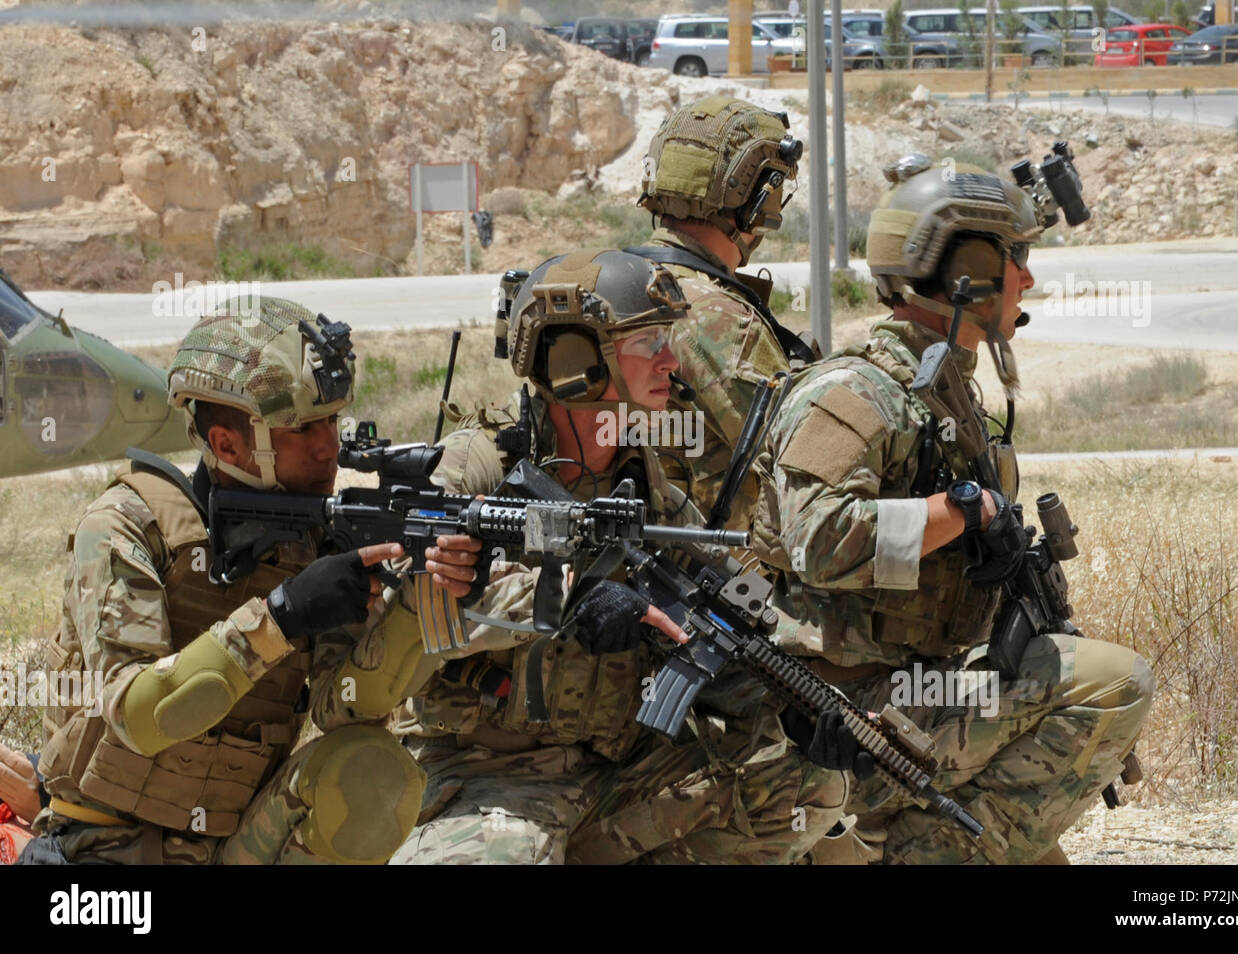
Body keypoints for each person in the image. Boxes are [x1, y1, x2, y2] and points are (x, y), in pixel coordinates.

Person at [749, 156, 1154, 864]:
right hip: (844, 708)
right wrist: (962, 509)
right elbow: (817, 538)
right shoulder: (855, 391)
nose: (1028, 279)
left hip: (918, 678)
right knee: (1116, 682)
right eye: (1016, 258)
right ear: (967, 269)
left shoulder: (946, 390)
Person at [385, 248, 846, 864]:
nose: (671, 360)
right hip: (494, 771)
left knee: (806, 787)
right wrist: (570, 597)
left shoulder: (645, 485)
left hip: (618, 766)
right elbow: (417, 598)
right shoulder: (479, 463)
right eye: (649, 340)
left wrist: (808, 692)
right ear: (579, 361)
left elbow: (730, 597)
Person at [19, 297, 423, 864]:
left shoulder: (319, 540)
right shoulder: (127, 527)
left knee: (371, 771)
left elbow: (345, 710)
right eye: (303, 427)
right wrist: (281, 617)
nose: (329, 446)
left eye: (333, 419)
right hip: (102, 846)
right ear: (227, 444)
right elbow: (139, 716)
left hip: (235, 846)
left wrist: (421, 609)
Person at [630, 95, 816, 529]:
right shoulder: (716, 317)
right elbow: (800, 467)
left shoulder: (608, 281)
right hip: (710, 581)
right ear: (757, 201)